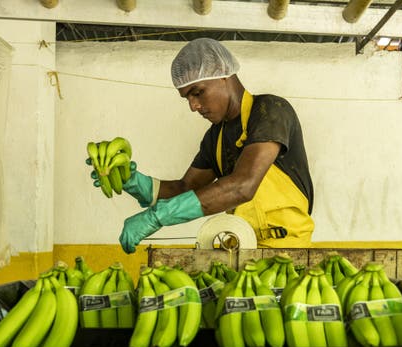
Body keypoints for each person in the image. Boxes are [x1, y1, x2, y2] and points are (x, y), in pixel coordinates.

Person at [92, 38, 315, 253]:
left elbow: (243, 186)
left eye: (197, 93)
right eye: (187, 98)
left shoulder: (270, 110)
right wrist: (138, 184)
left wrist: (158, 216)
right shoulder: (214, 138)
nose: (193, 106)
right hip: (241, 246)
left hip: (288, 252)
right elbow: (185, 188)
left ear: (222, 74)